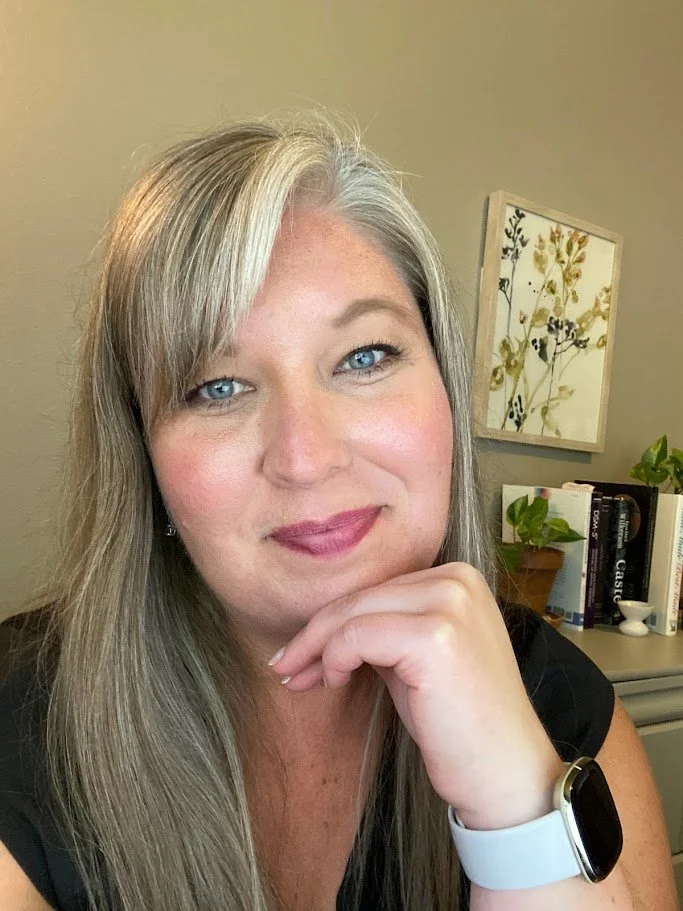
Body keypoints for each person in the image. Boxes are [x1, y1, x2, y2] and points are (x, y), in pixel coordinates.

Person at [0, 113, 675, 911]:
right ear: (144, 460)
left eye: (364, 357)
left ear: (445, 392)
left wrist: (516, 810)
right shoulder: (23, 719)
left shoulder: (559, 703)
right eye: (217, 386)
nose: (305, 456)